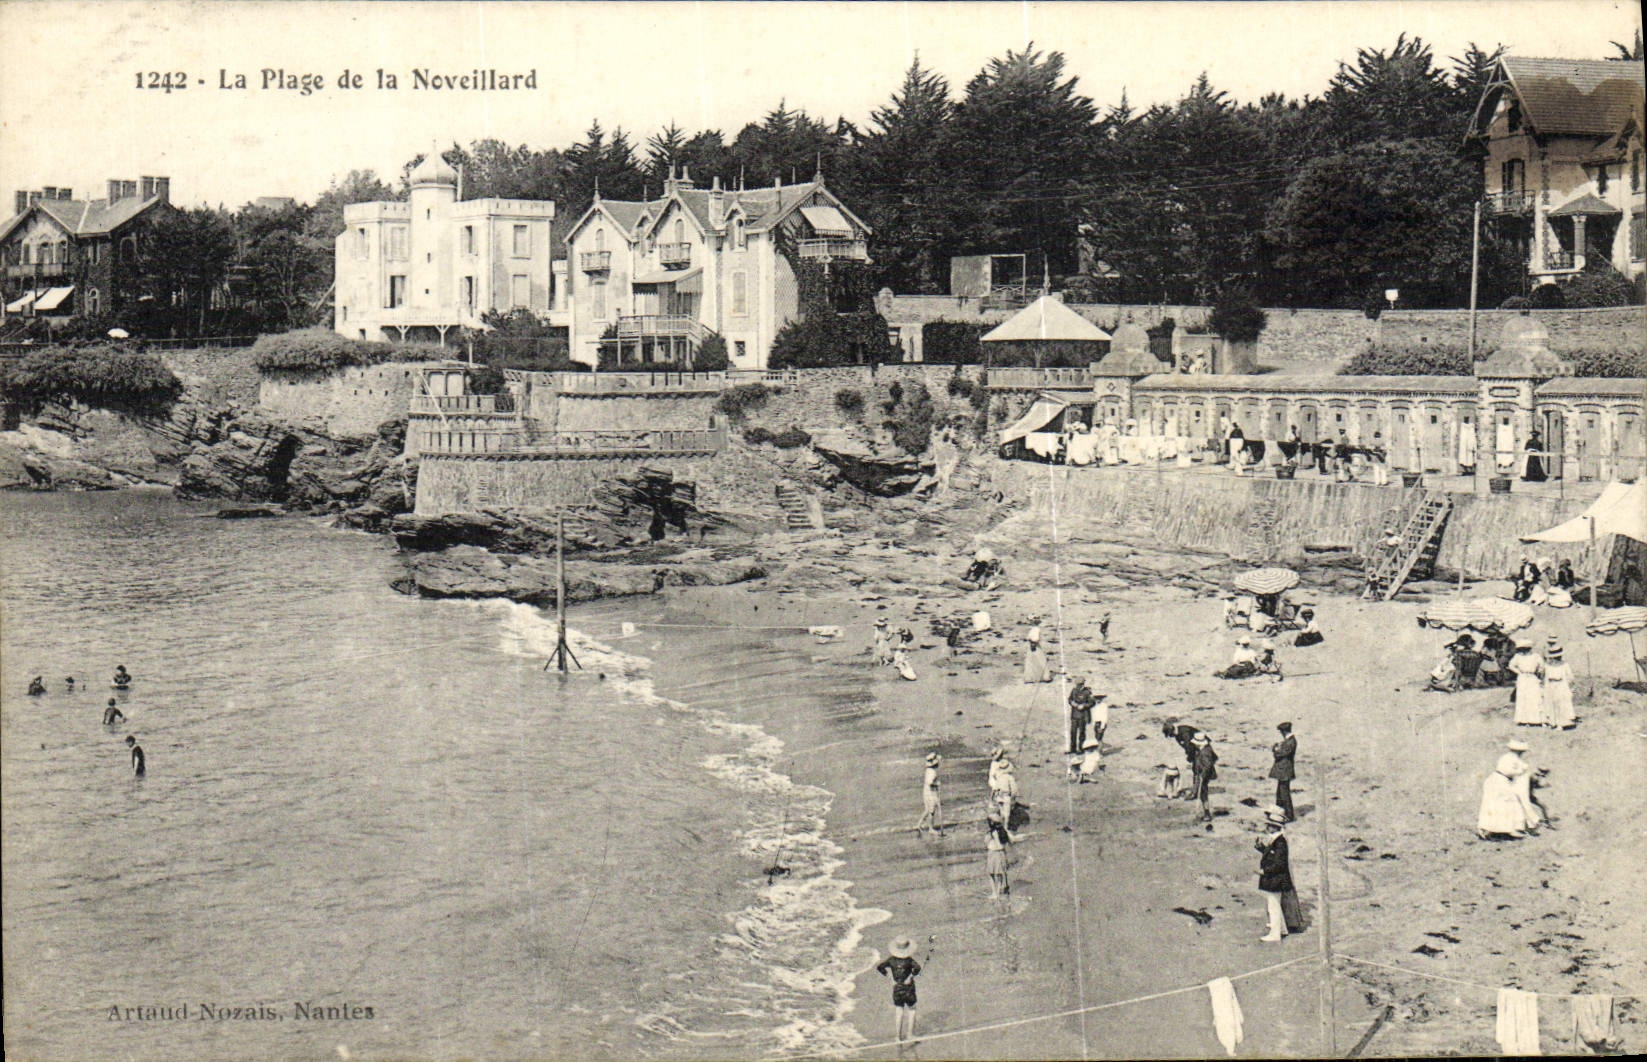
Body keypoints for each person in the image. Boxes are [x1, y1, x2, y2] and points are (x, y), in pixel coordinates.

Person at [1255, 805, 1295, 941]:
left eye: (1269, 826)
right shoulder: (1277, 841)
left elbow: (1279, 863)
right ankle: (1282, 929)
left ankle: (1275, 934)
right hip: (1276, 879)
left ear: (1275, 827)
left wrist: (1264, 871)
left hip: (1276, 879)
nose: (1267, 828)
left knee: (1273, 906)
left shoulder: (1280, 842)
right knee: (1274, 904)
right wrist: (1261, 848)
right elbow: (1273, 856)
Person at [1478, 752, 1540, 839]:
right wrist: (1522, 770)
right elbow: (1509, 771)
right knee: (1498, 805)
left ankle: (1502, 830)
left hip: (1501, 781)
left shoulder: (1513, 759)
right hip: (1498, 781)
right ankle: (1488, 830)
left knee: (1505, 805)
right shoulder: (1509, 759)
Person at [875, 937, 923, 1045]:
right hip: (908, 988)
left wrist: (890, 978)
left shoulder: (891, 960)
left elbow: (880, 967)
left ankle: (897, 1037)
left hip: (897, 987)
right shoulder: (909, 960)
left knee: (899, 1010)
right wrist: (910, 977)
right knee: (912, 1009)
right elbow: (918, 968)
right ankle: (910, 1034)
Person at [1508, 636, 1545, 725]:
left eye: (1524, 649)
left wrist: (1538, 672)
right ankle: (1523, 720)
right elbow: (1511, 665)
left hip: (1532, 678)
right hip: (1522, 678)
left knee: (1533, 698)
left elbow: (1542, 666)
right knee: (1522, 698)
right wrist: (1519, 672)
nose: (1522, 651)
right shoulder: (1518, 657)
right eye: (1521, 649)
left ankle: (1535, 719)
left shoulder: (1536, 656)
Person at [1542, 642, 1576, 729]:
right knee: (1551, 703)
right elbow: (1544, 676)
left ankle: (1562, 723)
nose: (1557, 658)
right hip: (1550, 686)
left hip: (1561, 686)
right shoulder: (1547, 665)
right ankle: (1553, 722)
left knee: (1561, 703)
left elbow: (1570, 677)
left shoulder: (1565, 665)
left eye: (1558, 656)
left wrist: (1570, 688)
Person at [1269, 723, 1297, 822]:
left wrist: (1275, 749)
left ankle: (1289, 815)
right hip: (1283, 772)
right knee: (1280, 793)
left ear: (1284, 731)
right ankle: (1279, 812)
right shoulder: (1289, 741)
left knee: (1284, 794)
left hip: (1284, 772)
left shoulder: (1290, 742)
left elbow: (1280, 754)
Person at [1190, 732, 1218, 823]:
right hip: (1201, 773)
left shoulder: (1205, 752)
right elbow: (1215, 758)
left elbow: (1208, 765)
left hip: (1204, 776)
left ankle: (1207, 814)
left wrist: (1203, 775)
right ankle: (1206, 813)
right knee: (1202, 793)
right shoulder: (1203, 749)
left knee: (1203, 793)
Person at [988, 749, 1020, 827]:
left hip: (999, 794)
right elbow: (1014, 789)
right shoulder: (1009, 777)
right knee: (1006, 813)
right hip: (1005, 795)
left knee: (1002, 811)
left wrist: (993, 795)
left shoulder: (998, 773)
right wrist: (1013, 797)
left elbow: (993, 782)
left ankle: (1002, 826)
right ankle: (1005, 827)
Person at [1067, 677, 1096, 754]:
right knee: (1073, 732)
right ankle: (1072, 748)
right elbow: (1069, 699)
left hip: (1083, 716)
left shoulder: (1087, 692)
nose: (1078, 686)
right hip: (1074, 715)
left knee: (1081, 733)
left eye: (1079, 685)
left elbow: (1092, 703)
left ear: (1083, 684)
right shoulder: (1074, 690)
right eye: (1077, 685)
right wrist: (1072, 703)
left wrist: (1084, 706)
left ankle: (1081, 748)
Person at [915, 753, 942, 833]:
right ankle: (931, 828)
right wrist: (937, 784)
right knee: (931, 810)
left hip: (926, 791)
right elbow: (930, 783)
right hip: (930, 792)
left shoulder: (928, 770)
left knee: (927, 810)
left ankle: (919, 825)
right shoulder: (932, 772)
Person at [985, 817, 1012, 898]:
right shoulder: (1004, 831)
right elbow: (1010, 841)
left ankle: (994, 893)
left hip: (993, 853)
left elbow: (986, 843)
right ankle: (998, 891)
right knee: (999, 873)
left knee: (991, 874)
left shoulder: (992, 833)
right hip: (1001, 853)